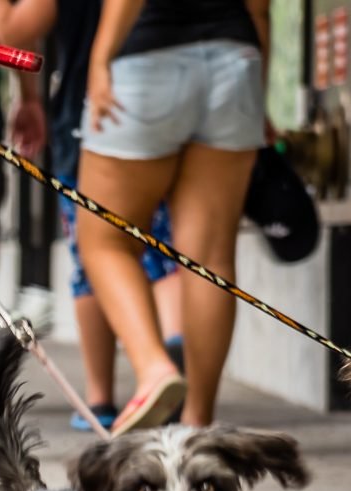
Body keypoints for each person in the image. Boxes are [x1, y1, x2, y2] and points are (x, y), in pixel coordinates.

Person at [77, 0, 269, 433]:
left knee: (104, 240)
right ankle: (198, 421)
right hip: (235, 61)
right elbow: (260, 10)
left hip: (147, 59)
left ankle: (153, 368)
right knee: (210, 257)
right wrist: (258, 94)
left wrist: (100, 57)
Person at [0, 0, 123, 430]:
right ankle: (178, 381)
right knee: (171, 253)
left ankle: (102, 397)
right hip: (199, 91)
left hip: (94, 104)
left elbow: (12, 29)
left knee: (96, 252)